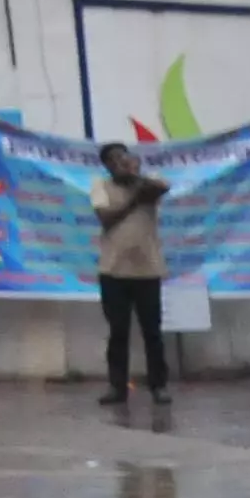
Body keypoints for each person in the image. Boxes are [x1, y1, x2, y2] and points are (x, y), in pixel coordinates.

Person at [93, 142, 168, 406]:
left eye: (122, 157)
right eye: (113, 159)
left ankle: (159, 386)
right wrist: (134, 198)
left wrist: (135, 178)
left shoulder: (147, 181)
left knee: (153, 333)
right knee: (118, 332)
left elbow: (161, 188)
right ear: (106, 165)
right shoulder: (101, 186)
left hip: (148, 270)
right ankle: (117, 387)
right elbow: (106, 218)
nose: (119, 162)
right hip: (113, 272)